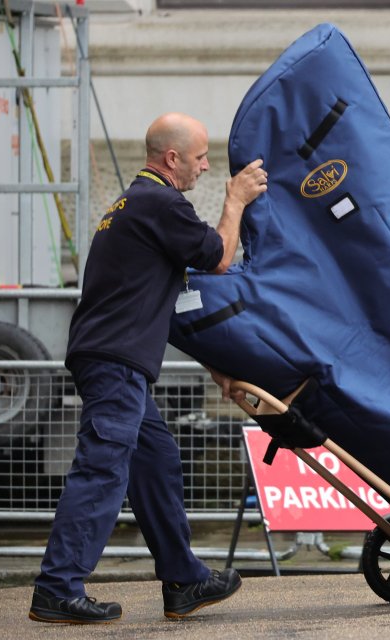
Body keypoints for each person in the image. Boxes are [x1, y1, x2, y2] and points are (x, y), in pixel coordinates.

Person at [29, 112, 266, 624]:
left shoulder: (132, 205)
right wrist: (235, 201)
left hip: (112, 359)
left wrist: (215, 365)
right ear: (172, 158)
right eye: (201, 157)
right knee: (102, 470)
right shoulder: (161, 202)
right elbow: (219, 258)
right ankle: (57, 587)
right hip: (116, 364)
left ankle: (183, 579)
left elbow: (169, 303)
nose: (206, 166)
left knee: (154, 460)